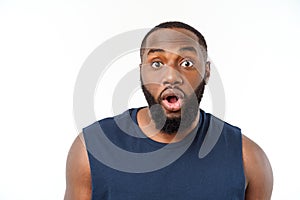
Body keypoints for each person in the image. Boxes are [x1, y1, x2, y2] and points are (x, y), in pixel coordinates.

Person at [64, 21, 273, 200]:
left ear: (207, 72)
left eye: (187, 63)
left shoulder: (248, 158)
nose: (171, 77)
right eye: (156, 63)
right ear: (142, 73)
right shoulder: (91, 148)